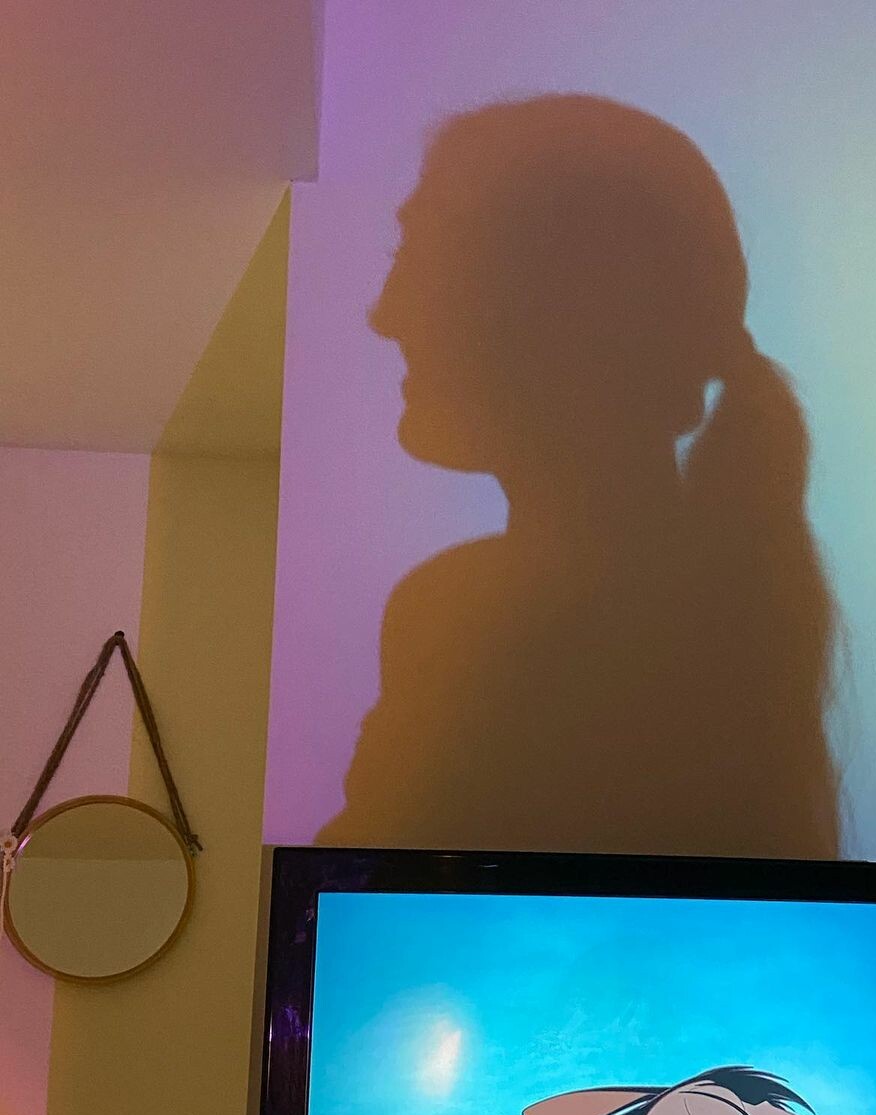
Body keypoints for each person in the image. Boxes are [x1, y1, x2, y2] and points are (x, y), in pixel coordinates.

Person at [318, 94, 839, 859]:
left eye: (420, 262)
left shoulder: (466, 614)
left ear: (555, 309)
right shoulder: (736, 614)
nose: (386, 315)